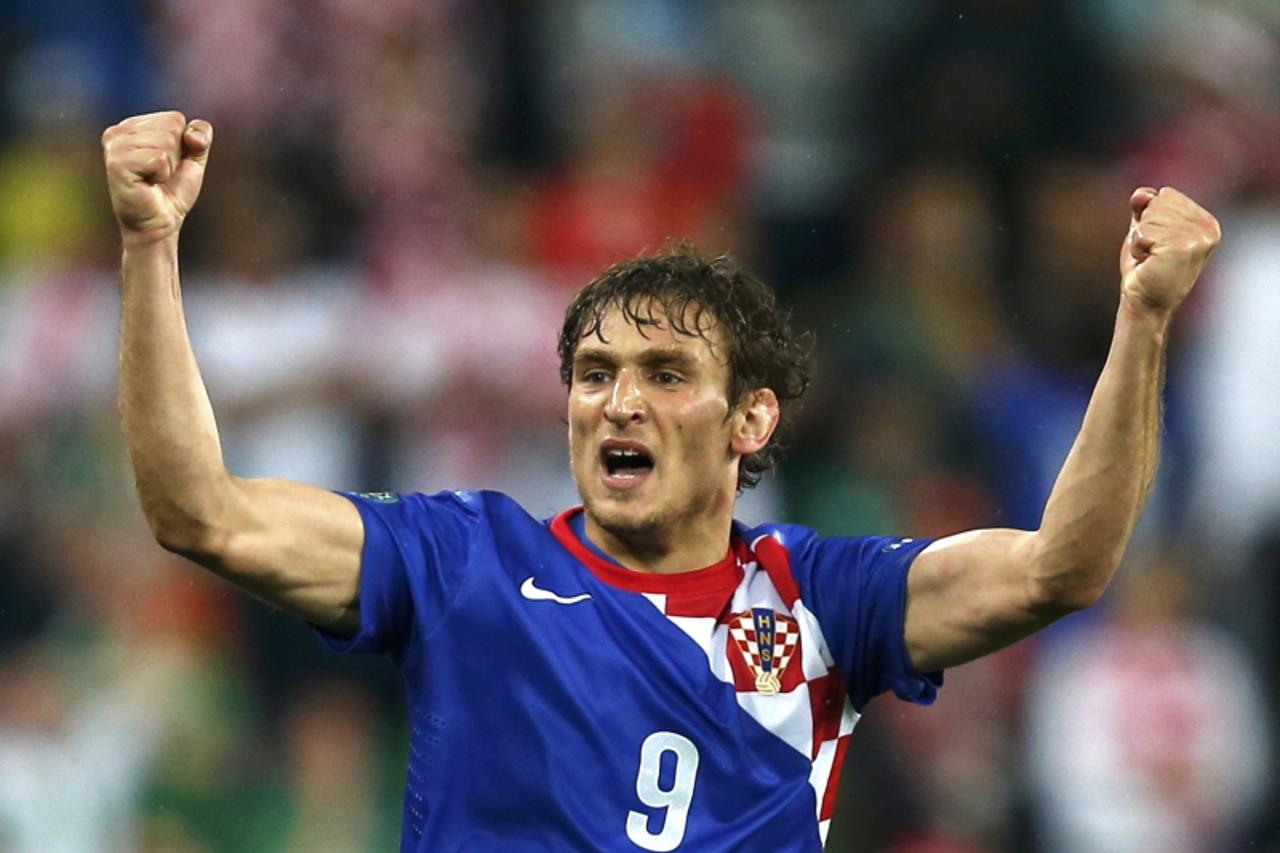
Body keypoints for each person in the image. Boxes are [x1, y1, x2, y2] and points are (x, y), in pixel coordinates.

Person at [102, 110, 1221, 851]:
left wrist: (1141, 320)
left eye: (663, 373)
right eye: (593, 373)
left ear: (751, 419)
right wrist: (151, 249)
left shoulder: (822, 599)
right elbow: (199, 510)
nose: (617, 401)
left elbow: (1059, 568)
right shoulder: (465, 561)